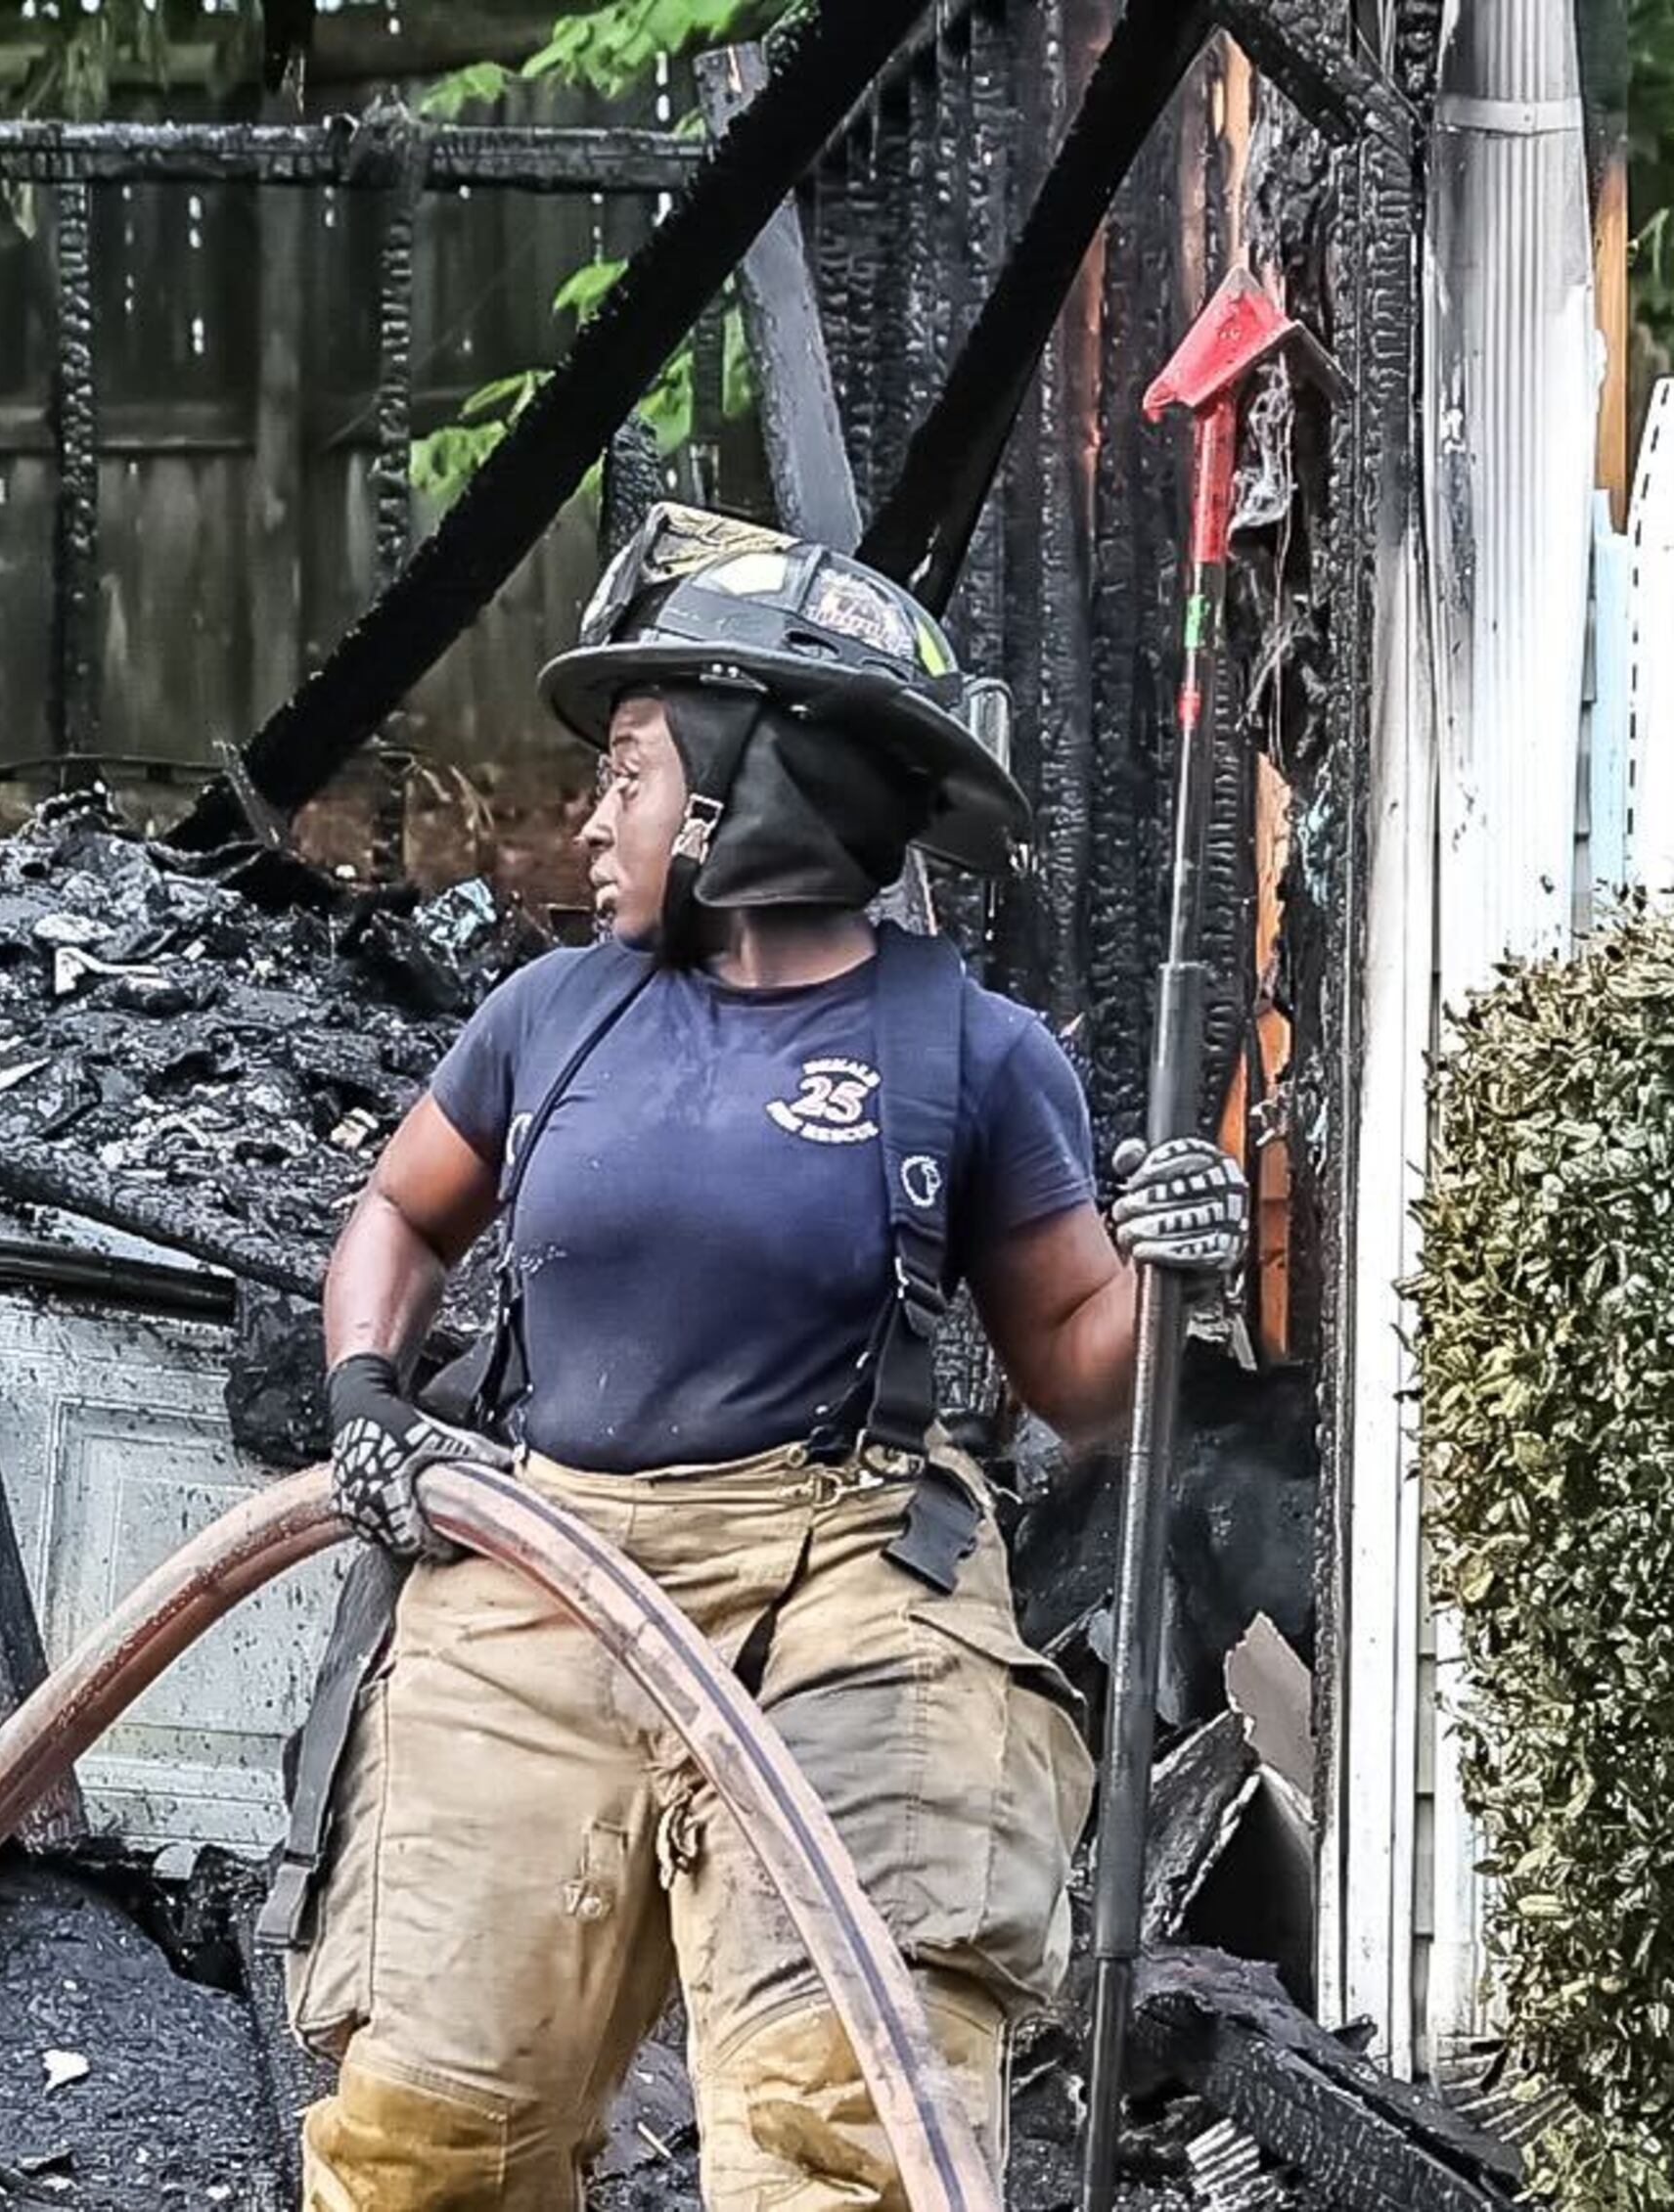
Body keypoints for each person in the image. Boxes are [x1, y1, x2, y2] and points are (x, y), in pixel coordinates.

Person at [288, 506, 1251, 2209]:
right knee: (425, 2153)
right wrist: (369, 1390)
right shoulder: (552, 1013)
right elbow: (402, 1216)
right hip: (539, 1570)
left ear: (751, 787)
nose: (593, 816)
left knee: (843, 2150)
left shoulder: (971, 1047)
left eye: (634, 771)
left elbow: (1082, 1378)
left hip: (843, 1581)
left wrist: (1170, 1274)